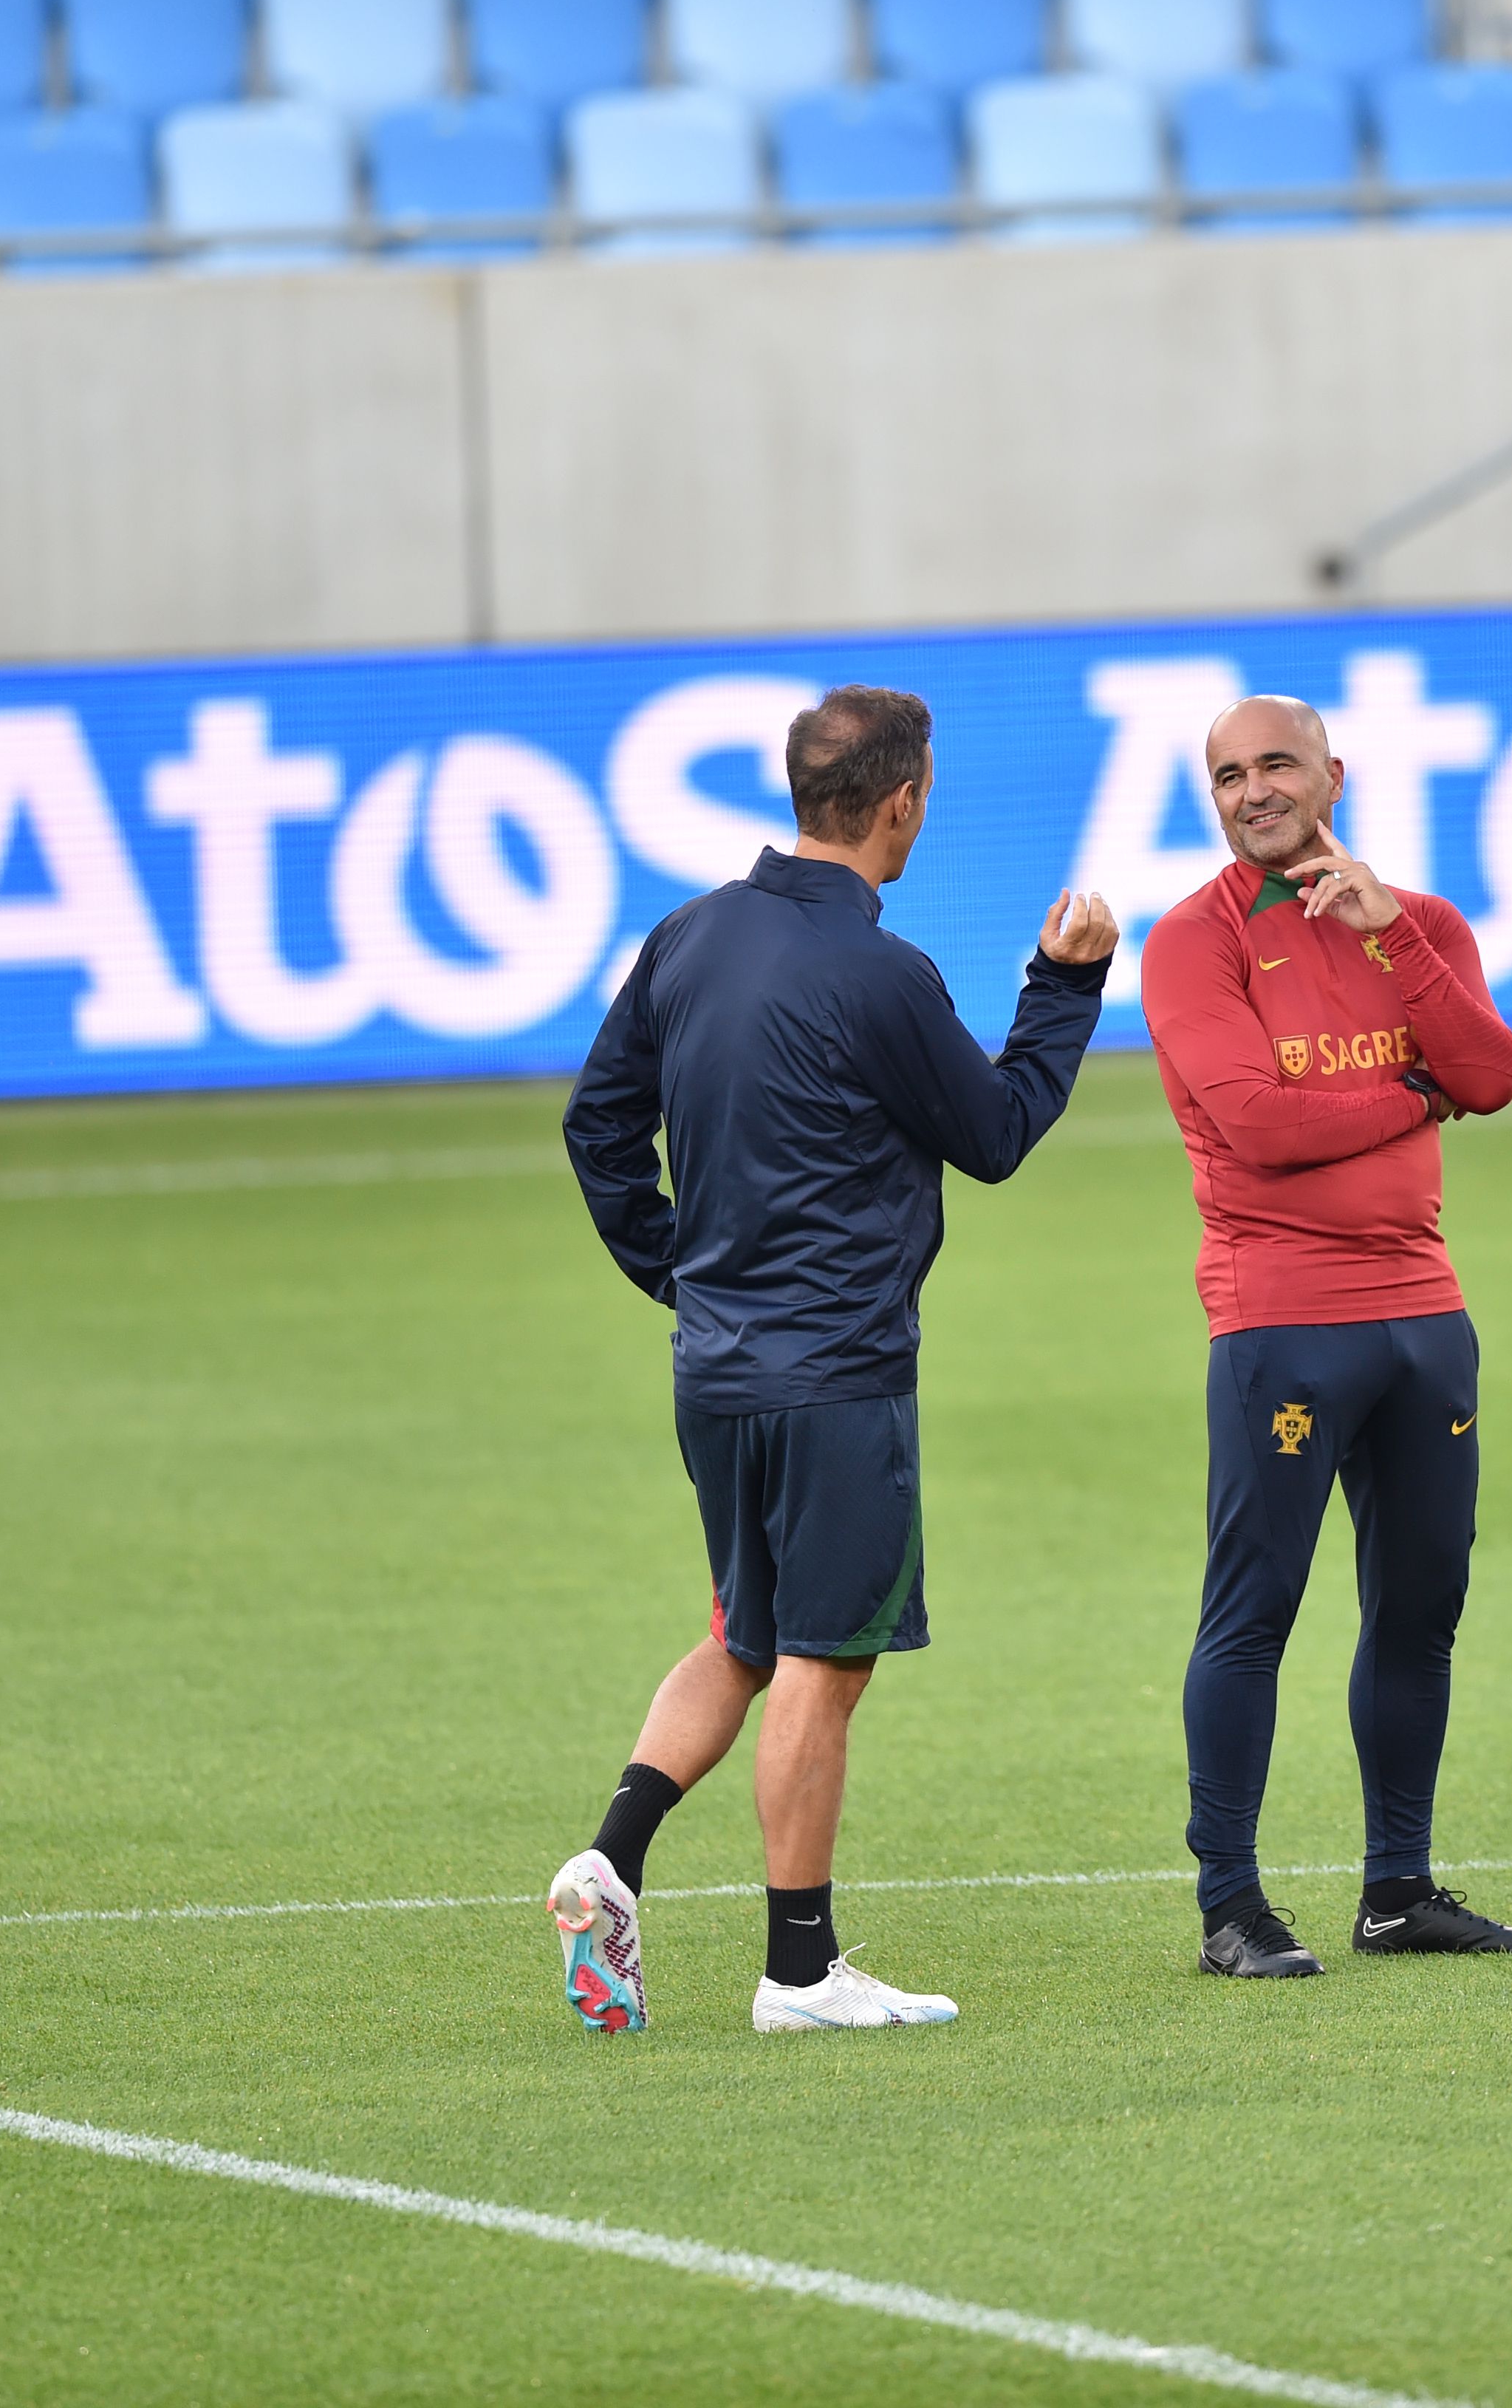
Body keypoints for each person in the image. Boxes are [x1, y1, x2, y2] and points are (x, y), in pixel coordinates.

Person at [545, 683, 1120, 2036]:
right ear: (903, 801)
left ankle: (610, 1857)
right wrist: (1065, 987)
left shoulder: (687, 937)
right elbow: (995, 1133)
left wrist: (681, 1272)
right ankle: (798, 1972)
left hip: (717, 1368)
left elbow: (596, 1127)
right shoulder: (881, 975)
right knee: (823, 1658)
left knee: (740, 1634)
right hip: (839, 1373)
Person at [1135, 694, 1512, 1979]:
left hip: (1425, 1316)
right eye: (1227, 776)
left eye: (1276, 765)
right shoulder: (1192, 942)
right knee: (1252, 1613)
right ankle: (1230, 1908)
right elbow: (1259, 1125)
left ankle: (1398, 1892)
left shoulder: (1421, 925)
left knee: (1422, 1606)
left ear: (1333, 776)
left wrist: (1395, 944)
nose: (1252, 790)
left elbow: (1492, 1076)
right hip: (1279, 1316)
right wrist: (1413, 1094)